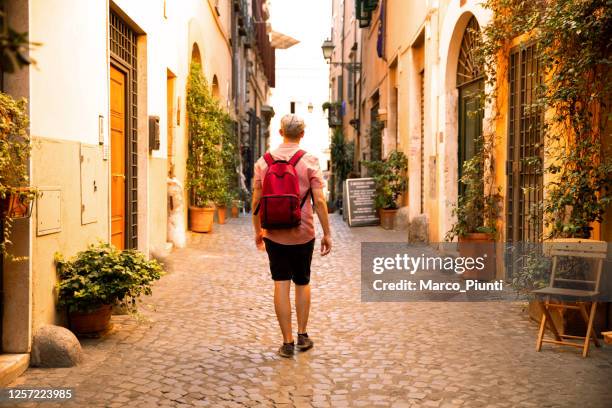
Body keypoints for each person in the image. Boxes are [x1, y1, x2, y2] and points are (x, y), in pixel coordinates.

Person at [252, 113, 332, 358]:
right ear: (302, 134)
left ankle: (286, 342)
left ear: (280, 132)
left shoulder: (263, 162)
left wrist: (258, 231)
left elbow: (256, 200)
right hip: (303, 232)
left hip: (273, 233)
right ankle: (302, 335)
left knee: (280, 283)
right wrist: (326, 233)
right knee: (302, 281)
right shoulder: (310, 160)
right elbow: (319, 200)